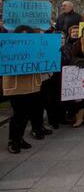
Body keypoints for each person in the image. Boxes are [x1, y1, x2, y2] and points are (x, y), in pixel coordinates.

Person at [2, 25, 46, 153]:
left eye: (27, 34)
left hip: (32, 86)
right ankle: (13, 140)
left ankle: (20, 138)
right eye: (22, 34)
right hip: (16, 87)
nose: (24, 36)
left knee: (26, 114)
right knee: (18, 114)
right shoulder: (8, 48)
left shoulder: (36, 48)